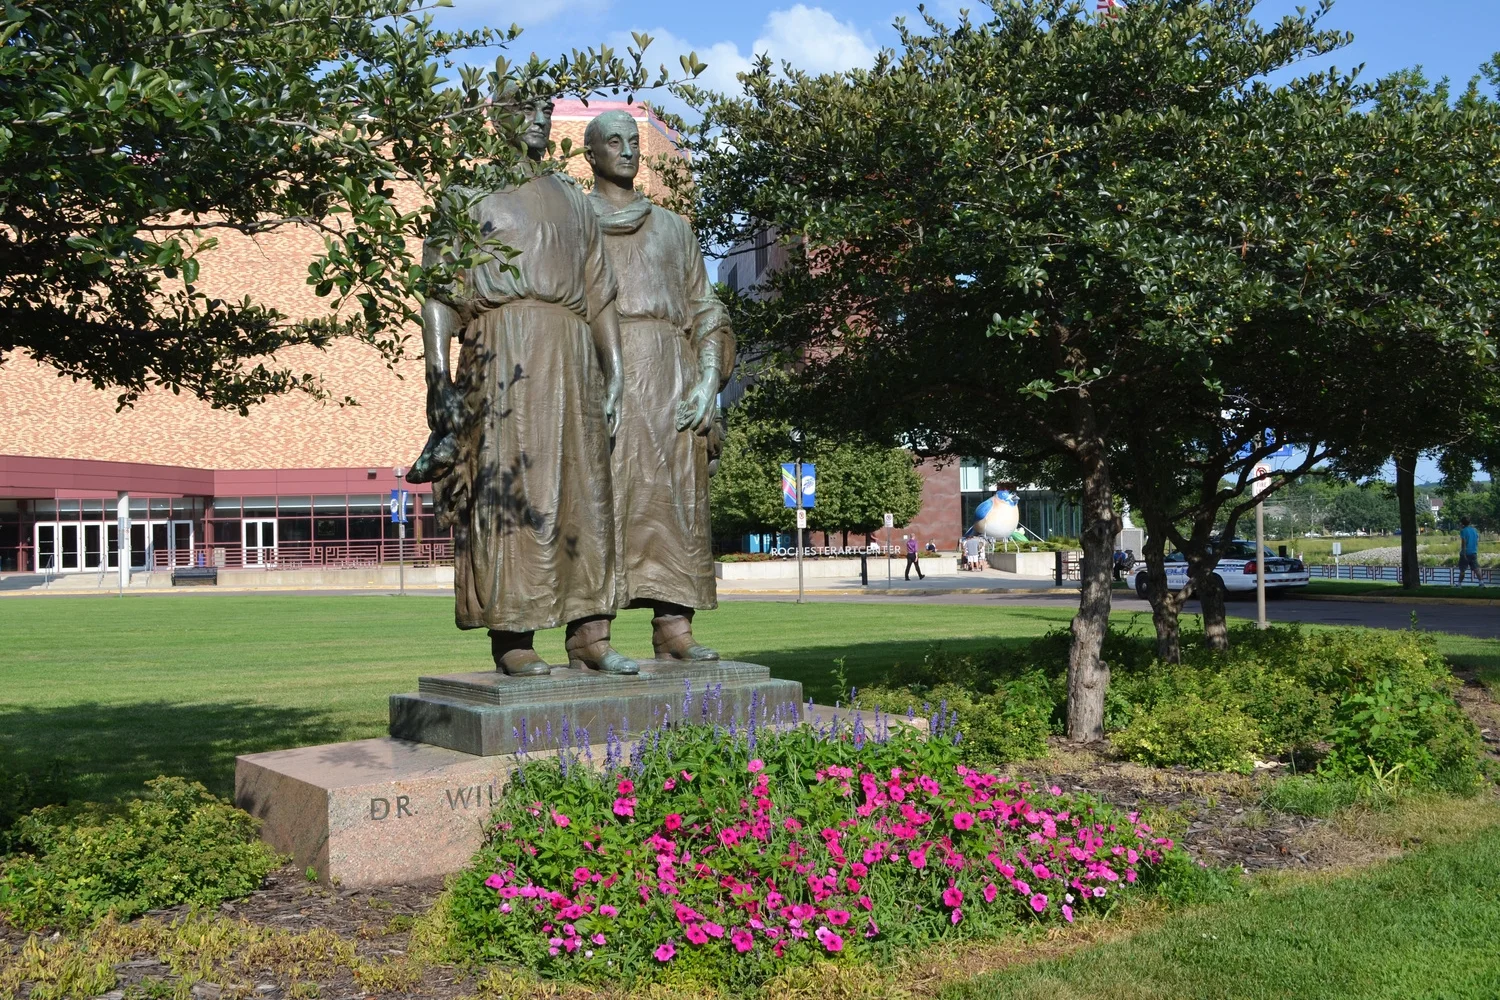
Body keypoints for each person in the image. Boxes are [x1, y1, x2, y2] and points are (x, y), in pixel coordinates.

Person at [407, 96, 635, 677]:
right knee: (511, 488)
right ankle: (513, 636)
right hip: (502, 347)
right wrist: (438, 377)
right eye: (523, 107)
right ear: (498, 118)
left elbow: (600, 292)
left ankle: (591, 634)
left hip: (573, 353)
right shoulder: (467, 195)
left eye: (544, 108)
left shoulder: (573, 201)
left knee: (584, 492)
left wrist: (615, 372)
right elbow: (439, 291)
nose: (536, 117)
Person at [582, 110, 735, 660]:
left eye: (633, 142)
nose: (627, 151)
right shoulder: (576, 223)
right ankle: (589, 638)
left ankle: (675, 630)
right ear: (590, 155)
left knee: (675, 503)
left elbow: (706, 310)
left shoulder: (675, 228)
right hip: (603, 367)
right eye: (613, 141)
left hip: (672, 376)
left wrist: (707, 382)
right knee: (599, 498)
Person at [1458, 517, 1481, 585]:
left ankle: (1459, 584)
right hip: (1473, 552)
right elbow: (1477, 540)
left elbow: (1464, 542)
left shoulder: (1463, 531)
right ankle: (1481, 582)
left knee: (1462, 569)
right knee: (1476, 568)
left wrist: (1464, 553)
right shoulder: (1474, 530)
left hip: (1466, 553)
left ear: (1462, 523)